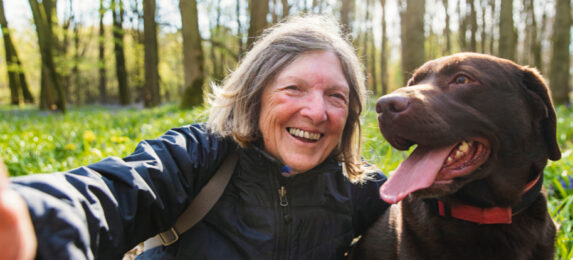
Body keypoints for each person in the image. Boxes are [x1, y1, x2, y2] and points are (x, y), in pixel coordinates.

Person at [0, 15, 388, 260]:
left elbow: (424, 226)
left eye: (335, 96)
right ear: (255, 96)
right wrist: (34, 217)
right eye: (294, 88)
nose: (317, 112)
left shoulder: (359, 187)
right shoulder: (201, 155)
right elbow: (112, 194)